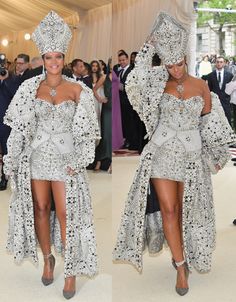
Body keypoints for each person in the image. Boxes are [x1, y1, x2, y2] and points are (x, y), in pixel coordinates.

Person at [113, 12, 236, 296]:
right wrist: (148, 46)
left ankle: (179, 248)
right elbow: (133, 80)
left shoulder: (201, 86)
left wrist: (215, 154)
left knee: (184, 209)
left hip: (192, 157)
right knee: (168, 208)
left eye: (179, 63)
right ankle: (181, 266)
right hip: (161, 152)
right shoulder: (155, 81)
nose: (175, 70)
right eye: (169, 64)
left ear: (186, 58)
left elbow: (209, 121)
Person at [3, 11, 99, 299]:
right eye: (49, 57)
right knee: (40, 210)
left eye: (59, 57)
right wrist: (12, 158)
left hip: (65, 161)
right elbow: (18, 130)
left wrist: (79, 160)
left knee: (68, 214)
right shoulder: (29, 89)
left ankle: (70, 271)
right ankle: (48, 259)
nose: (54, 63)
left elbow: (88, 133)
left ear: (64, 59)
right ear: (42, 59)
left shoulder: (78, 89)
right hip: (37, 159)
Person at [93, 58, 112, 172]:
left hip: (116, 109)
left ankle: (110, 164)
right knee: (105, 136)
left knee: (113, 136)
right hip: (107, 108)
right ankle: (99, 161)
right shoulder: (104, 77)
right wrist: (100, 98)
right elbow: (94, 89)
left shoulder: (117, 77)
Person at [206, 56, 233, 125]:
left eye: (221, 62)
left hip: (226, 103)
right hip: (215, 104)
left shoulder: (230, 75)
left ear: (224, 63)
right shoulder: (210, 76)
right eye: (217, 62)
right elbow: (209, 90)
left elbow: (232, 91)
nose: (219, 64)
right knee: (216, 123)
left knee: (227, 123)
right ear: (215, 63)